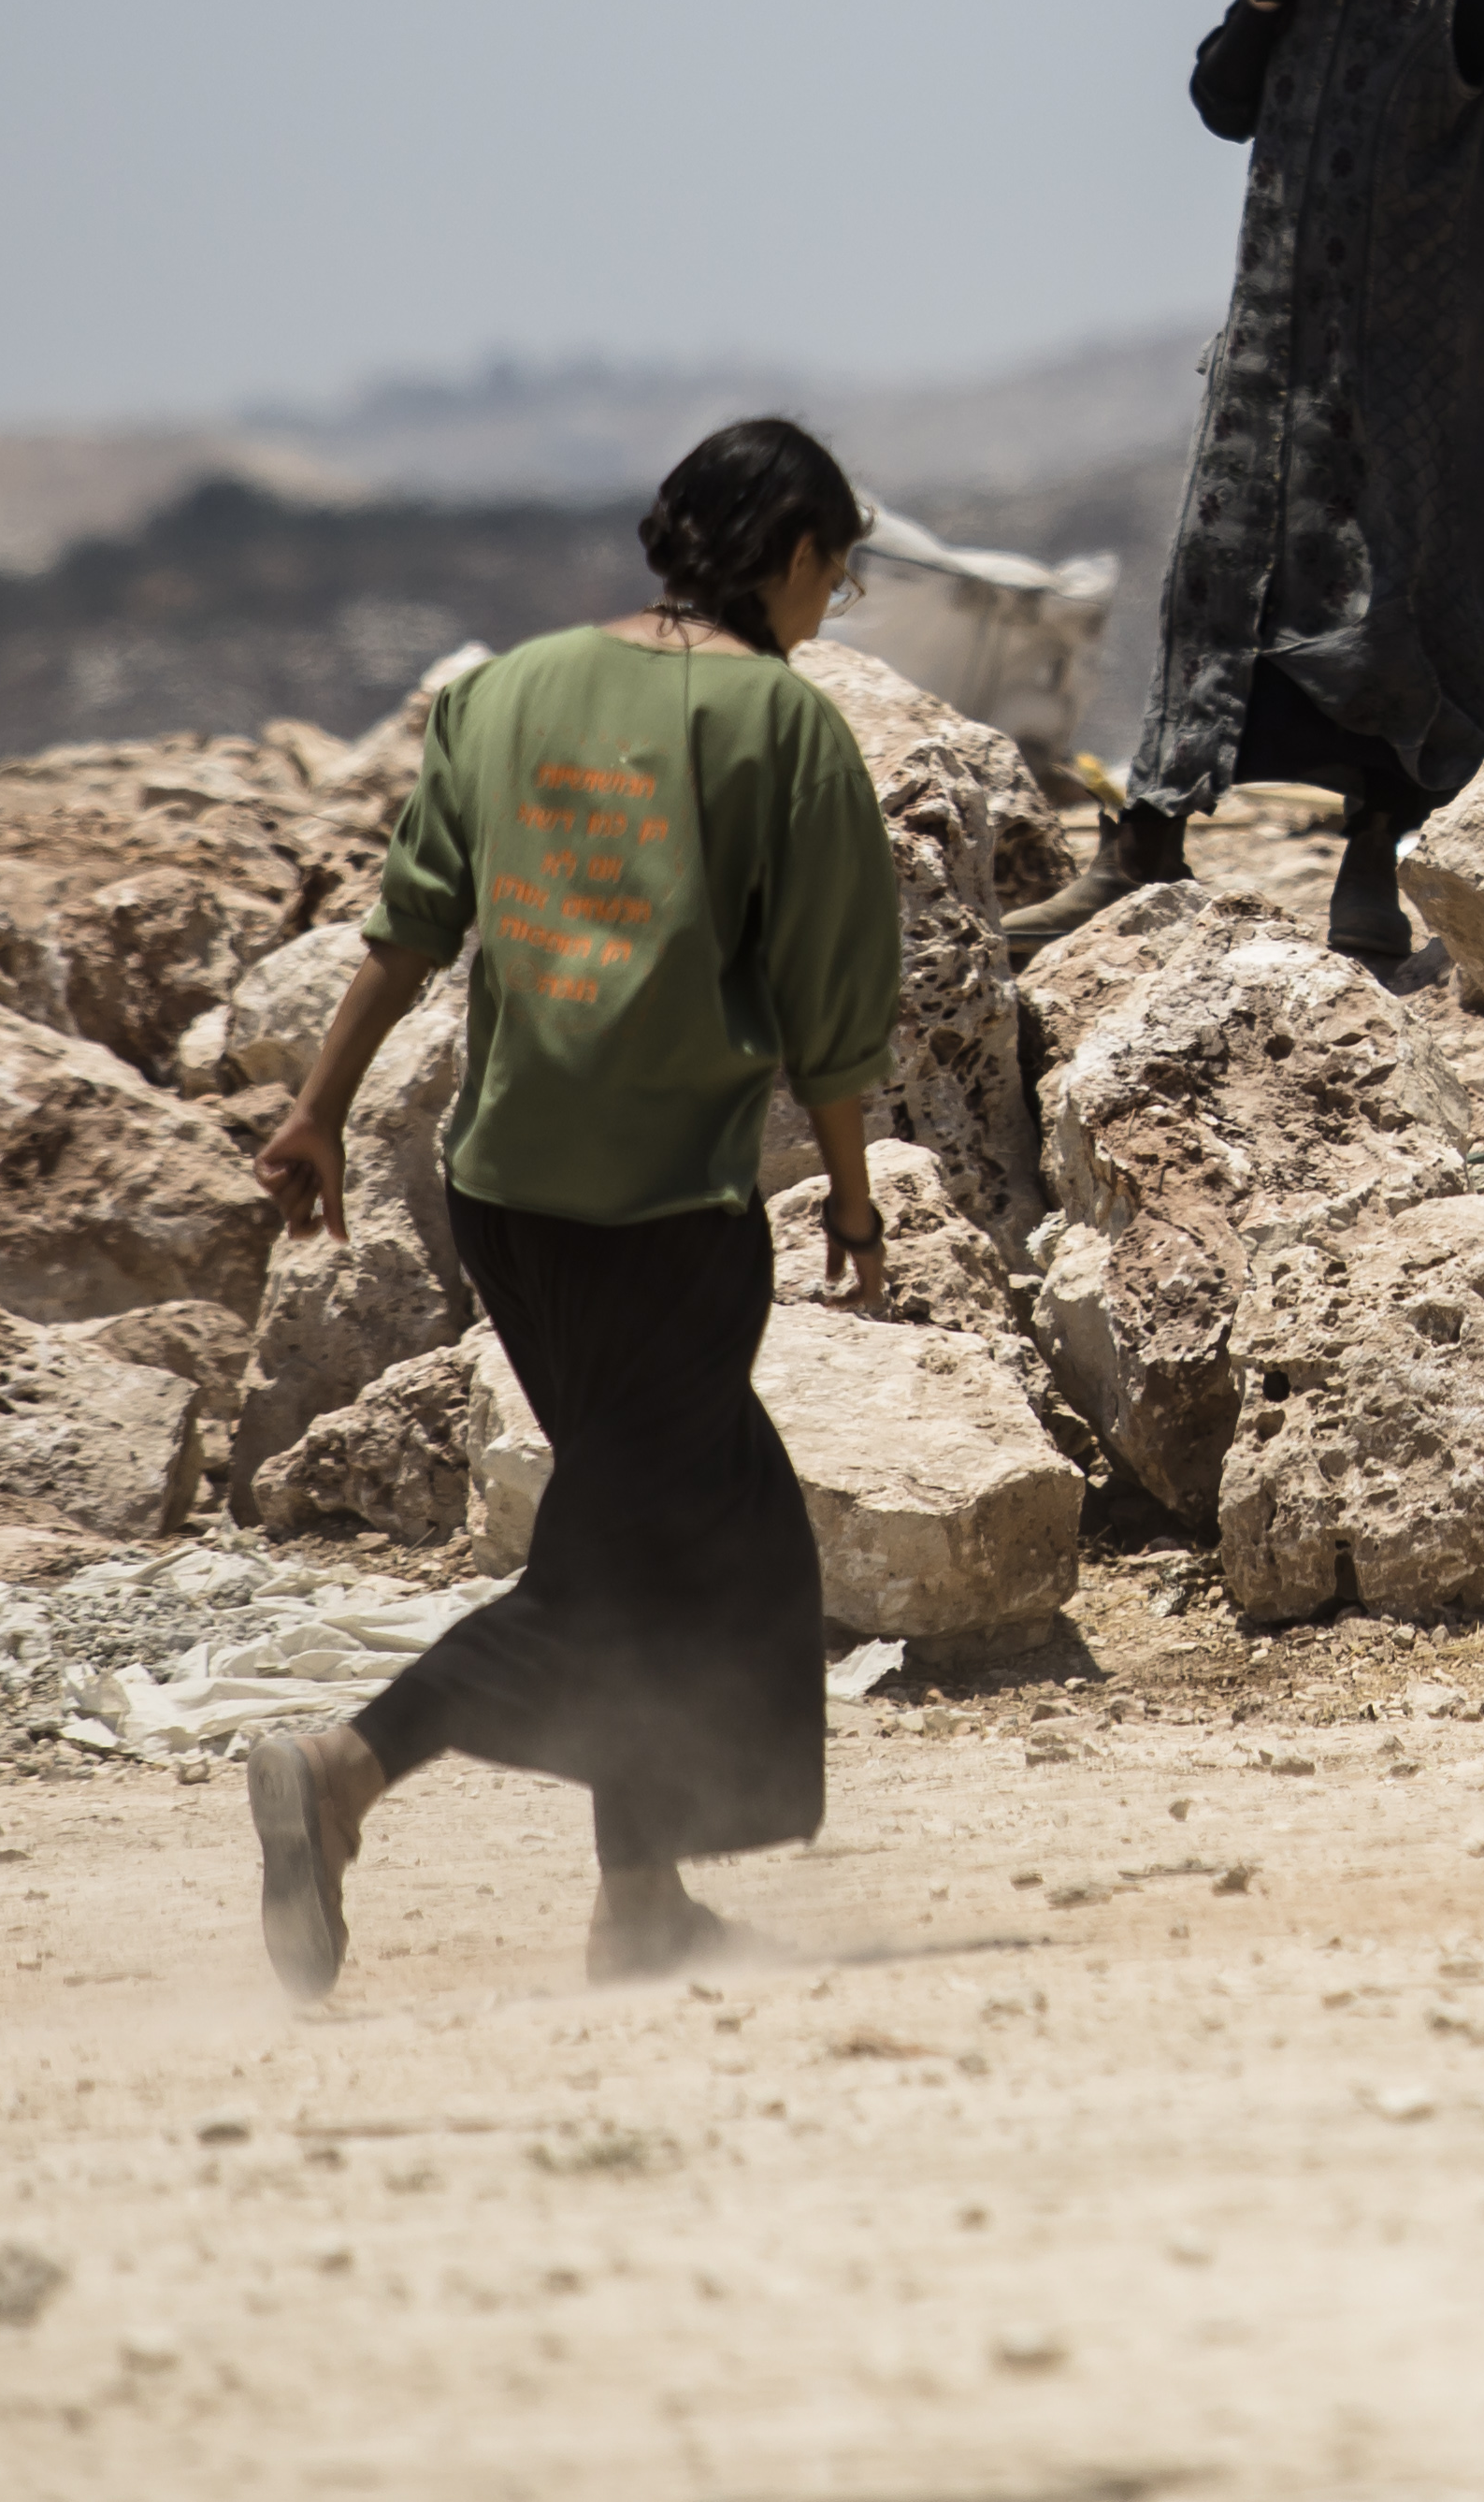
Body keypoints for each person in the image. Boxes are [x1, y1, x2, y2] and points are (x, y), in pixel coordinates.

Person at [242, 420, 903, 2000]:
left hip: (508, 1198)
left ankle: (644, 1906)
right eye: (835, 571)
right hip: (662, 1206)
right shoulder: (782, 723)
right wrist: (854, 1192)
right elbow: (832, 997)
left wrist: (317, 1107)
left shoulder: (507, 688)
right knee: (636, 1568)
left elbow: (410, 921)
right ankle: (347, 1765)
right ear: (791, 553)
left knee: (686, 1523)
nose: (831, 601)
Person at [1006, 0, 1484, 963]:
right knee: (1214, 583)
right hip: (1272, 363)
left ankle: (1376, 852)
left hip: (1417, 371)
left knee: (1399, 592)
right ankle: (1145, 842)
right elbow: (1222, 103)